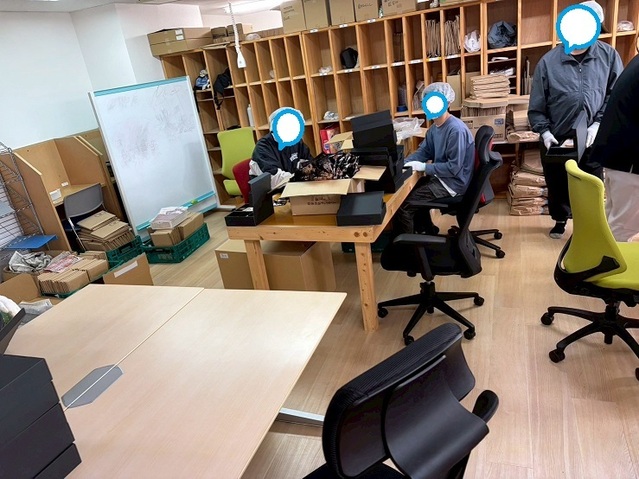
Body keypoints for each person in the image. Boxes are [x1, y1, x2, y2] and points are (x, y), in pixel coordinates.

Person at [527, 1, 623, 239]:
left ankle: (589, 226)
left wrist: (598, 124)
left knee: (591, 183)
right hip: (557, 137)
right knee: (558, 182)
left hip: (593, 136)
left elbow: (614, 95)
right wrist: (545, 132)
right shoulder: (548, 62)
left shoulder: (608, 56)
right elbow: (536, 106)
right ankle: (560, 220)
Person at [395, 82, 475, 235]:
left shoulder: (456, 130)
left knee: (405, 205)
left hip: (453, 183)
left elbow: (453, 168)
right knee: (409, 195)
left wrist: (424, 167)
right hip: (442, 178)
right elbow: (423, 152)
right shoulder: (434, 129)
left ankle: (408, 247)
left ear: (447, 102)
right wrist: (403, 164)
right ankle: (428, 233)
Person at [588, 54, 639, 242]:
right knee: (625, 231)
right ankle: (613, 261)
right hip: (629, 161)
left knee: (615, 223)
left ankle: (603, 258)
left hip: (619, 156)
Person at [249, 107, 313, 188]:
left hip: (292, 185)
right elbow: (275, 179)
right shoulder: (263, 147)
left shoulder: (295, 141)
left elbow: (308, 161)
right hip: (269, 191)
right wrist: (299, 178)